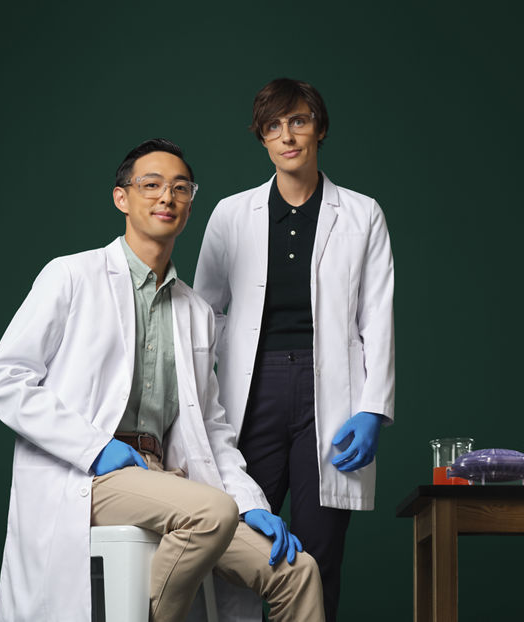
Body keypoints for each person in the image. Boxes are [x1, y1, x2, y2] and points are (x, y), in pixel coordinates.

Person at [0, 138, 324, 622]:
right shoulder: (72, 276)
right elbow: (5, 379)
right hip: (88, 475)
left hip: (166, 480)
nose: (167, 197)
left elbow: (211, 426)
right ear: (122, 198)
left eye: (181, 188)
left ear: (189, 204)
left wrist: (251, 502)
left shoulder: (197, 311)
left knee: (297, 570)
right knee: (210, 512)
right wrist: (94, 448)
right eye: (152, 185)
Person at [193, 78, 395, 622]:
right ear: (262, 138)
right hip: (249, 391)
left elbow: (376, 317)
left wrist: (373, 409)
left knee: (319, 551)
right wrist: (197, 402)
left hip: (329, 398)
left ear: (319, 129)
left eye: (299, 121)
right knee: (237, 548)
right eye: (274, 126)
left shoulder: (362, 214)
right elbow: (201, 315)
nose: (288, 136)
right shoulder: (231, 215)